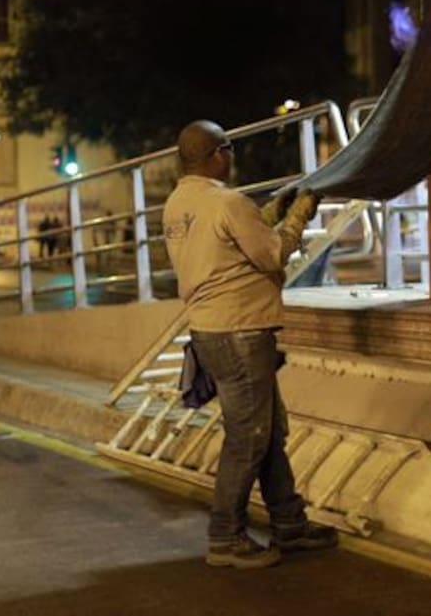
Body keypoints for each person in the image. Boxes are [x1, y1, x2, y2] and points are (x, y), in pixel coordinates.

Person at [162, 120, 337, 569]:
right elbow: (272, 253)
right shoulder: (229, 201)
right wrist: (300, 213)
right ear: (220, 153)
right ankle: (225, 537)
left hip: (211, 331)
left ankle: (289, 525)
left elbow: (231, 241)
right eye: (230, 149)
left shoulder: (178, 204)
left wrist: (273, 211)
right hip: (242, 332)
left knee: (267, 431)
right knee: (250, 437)